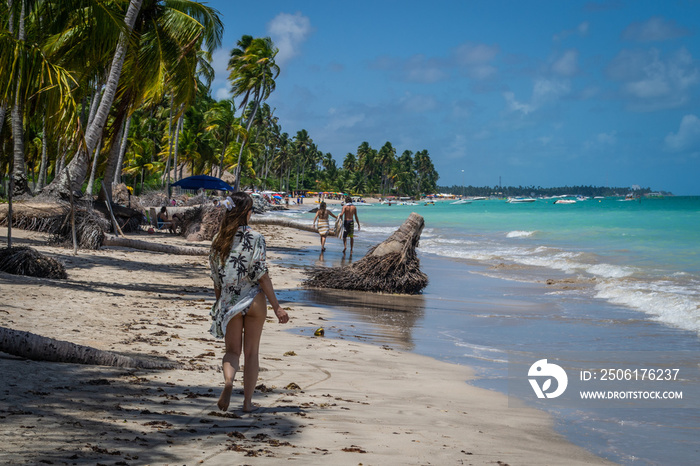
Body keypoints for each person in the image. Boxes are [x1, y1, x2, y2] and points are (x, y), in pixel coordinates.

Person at [209, 192, 289, 412]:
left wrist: (221, 306)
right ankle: (247, 403)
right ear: (246, 212)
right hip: (254, 300)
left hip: (230, 302)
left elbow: (216, 278)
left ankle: (228, 383)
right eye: (252, 209)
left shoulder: (218, 240)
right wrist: (277, 306)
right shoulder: (256, 238)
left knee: (232, 351)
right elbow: (261, 274)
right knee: (252, 352)